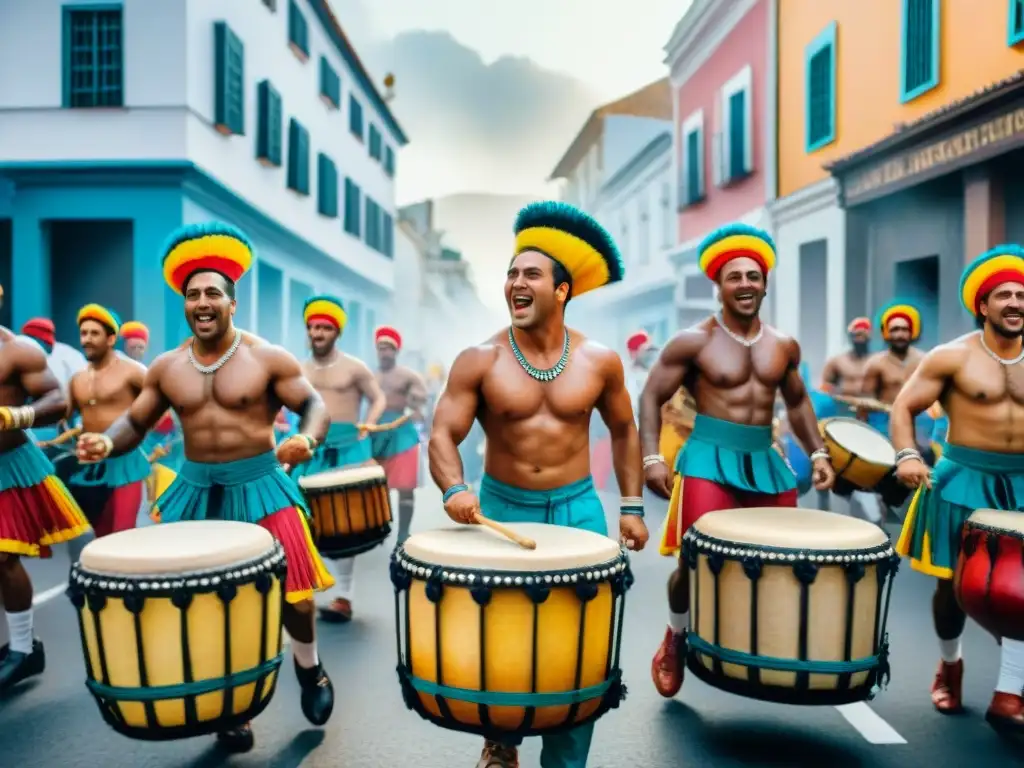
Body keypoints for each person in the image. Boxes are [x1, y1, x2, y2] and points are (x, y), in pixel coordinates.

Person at [75, 222, 335, 752]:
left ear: (231, 302)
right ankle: (231, 706)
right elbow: (136, 423)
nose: (202, 301)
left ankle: (310, 669)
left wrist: (306, 441)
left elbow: (315, 406)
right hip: (196, 492)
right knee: (208, 603)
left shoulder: (267, 357)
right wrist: (105, 442)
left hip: (261, 485)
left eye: (212, 292)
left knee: (296, 599)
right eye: (192, 294)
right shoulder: (168, 367)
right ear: (185, 304)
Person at [429, 200, 648, 768]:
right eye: (511, 273)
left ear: (562, 290)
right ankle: (502, 743)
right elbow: (441, 434)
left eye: (530, 274)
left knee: (578, 645)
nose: (515, 284)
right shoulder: (478, 360)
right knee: (504, 640)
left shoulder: (600, 361)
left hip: (578, 512)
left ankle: (566, 762)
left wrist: (630, 505)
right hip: (502, 510)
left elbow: (625, 430)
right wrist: (454, 489)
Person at [638, 223, 836, 700]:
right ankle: (676, 638)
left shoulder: (783, 345)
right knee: (696, 558)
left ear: (765, 283)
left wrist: (819, 451)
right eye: (735, 277)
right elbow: (650, 397)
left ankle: (756, 645)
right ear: (719, 285)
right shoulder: (693, 341)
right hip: (707, 456)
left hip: (763, 459)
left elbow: (798, 402)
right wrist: (650, 457)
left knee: (781, 559)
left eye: (753, 276)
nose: (745, 284)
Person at [892, 244, 1024, 732]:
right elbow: (903, 408)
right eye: (1004, 295)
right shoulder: (952, 357)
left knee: (1021, 590)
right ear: (983, 305)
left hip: (1023, 484)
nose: (1015, 302)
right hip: (960, 479)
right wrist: (907, 454)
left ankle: (1009, 693)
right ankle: (950, 665)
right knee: (952, 589)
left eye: (1022, 294)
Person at [0, 317, 90, 692]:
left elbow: (57, 400)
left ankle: (24, 649)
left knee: (3, 558)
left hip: (8, 468)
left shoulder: (17, 349)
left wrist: (16, 416)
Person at [292, 294, 387, 623]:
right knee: (302, 520)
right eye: (312, 327)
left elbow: (378, 397)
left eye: (324, 327)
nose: (317, 333)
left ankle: (344, 596)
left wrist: (371, 422)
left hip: (348, 448)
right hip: (309, 449)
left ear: (337, 332)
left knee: (341, 525)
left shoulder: (354, 367)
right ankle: (303, 587)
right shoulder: (297, 369)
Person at [64, 305, 149, 559]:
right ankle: (104, 596)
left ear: (111, 339)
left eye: (94, 333)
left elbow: (158, 405)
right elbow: (65, 420)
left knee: (123, 537)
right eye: (83, 333)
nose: (86, 339)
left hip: (127, 464)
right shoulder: (77, 379)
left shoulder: (134, 372)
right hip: (91, 468)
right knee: (99, 539)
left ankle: (129, 593)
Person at [372, 325, 426, 544]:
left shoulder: (408, 376)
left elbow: (420, 400)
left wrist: (414, 404)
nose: (385, 352)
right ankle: (381, 527)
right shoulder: (370, 376)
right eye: (381, 348)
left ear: (396, 352)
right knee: (375, 485)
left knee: (405, 485)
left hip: (401, 432)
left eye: (389, 348)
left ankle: (403, 532)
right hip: (375, 432)